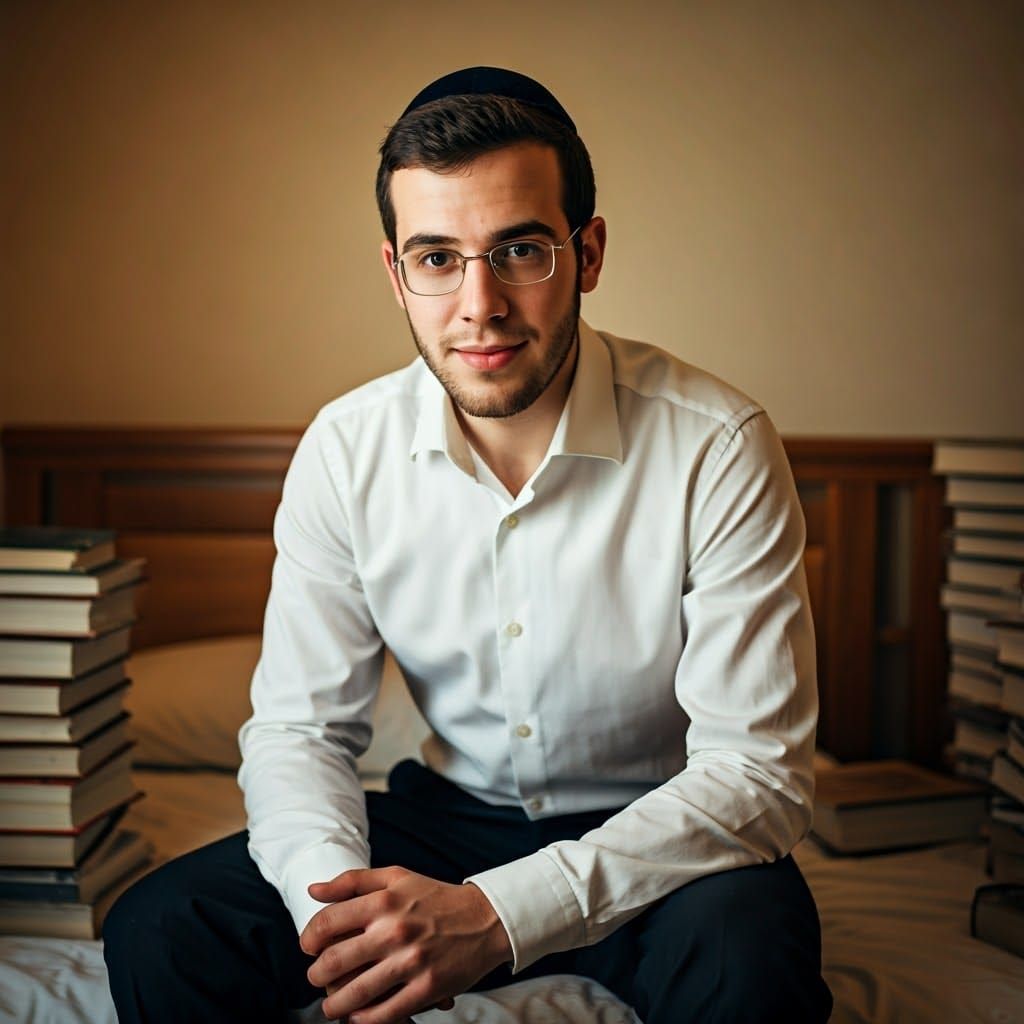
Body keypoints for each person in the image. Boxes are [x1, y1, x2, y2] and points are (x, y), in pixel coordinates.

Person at [104, 66, 833, 1024]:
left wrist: (498, 916)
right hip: (443, 819)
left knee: (753, 960)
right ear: (397, 271)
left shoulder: (719, 444)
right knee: (161, 930)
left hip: (662, 832)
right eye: (438, 258)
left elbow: (757, 776)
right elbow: (300, 730)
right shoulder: (345, 449)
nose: (478, 304)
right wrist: (342, 917)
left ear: (590, 251)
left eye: (519, 250)